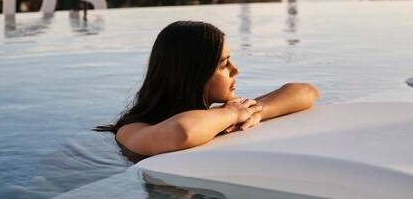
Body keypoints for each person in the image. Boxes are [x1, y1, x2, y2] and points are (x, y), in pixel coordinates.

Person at [97, 20, 319, 162]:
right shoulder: (131, 130)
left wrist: (257, 111)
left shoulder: (215, 116)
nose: (236, 70)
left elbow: (306, 91)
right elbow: (180, 133)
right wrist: (232, 114)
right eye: (224, 64)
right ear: (193, 73)